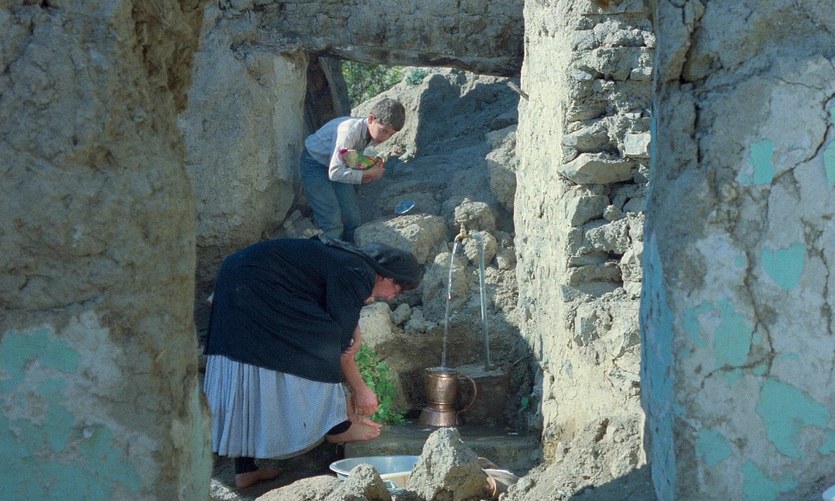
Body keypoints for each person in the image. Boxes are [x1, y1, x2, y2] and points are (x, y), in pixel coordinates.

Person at [202, 235, 422, 489]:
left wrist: (356, 334)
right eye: (397, 289)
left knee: (248, 361)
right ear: (386, 276)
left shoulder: (352, 263)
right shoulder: (359, 273)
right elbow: (339, 346)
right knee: (322, 342)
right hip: (255, 282)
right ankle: (338, 429)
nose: (392, 297)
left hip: (237, 275)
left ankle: (245, 470)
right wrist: (361, 391)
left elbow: (342, 317)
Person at [300, 98, 406, 242]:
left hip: (337, 164)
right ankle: (332, 252)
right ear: (371, 119)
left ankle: (351, 249)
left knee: (352, 218)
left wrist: (369, 165)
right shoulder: (350, 131)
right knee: (332, 221)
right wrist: (368, 173)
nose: (386, 137)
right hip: (315, 164)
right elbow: (335, 173)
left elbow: (349, 156)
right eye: (384, 131)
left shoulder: (371, 132)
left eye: (391, 134)